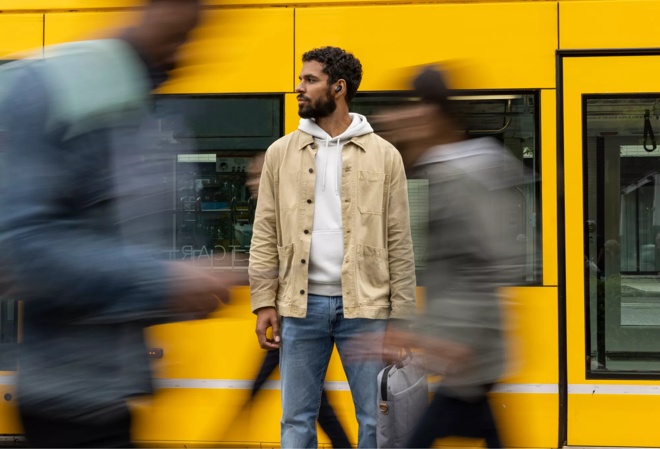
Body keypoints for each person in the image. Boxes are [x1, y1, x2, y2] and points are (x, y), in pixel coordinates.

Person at [0, 1, 244, 447]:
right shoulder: (54, 87)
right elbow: (25, 245)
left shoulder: (150, 112)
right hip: (66, 402)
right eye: (186, 29)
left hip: (117, 395)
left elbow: (115, 247)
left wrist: (190, 289)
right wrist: (168, 278)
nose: (193, 48)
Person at [248, 46, 417, 449]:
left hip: (367, 307)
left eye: (310, 80)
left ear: (338, 88)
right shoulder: (280, 153)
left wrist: (402, 317)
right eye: (301, 79)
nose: (298, 88)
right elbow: (265, 231)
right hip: (298, 306)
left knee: (375, 420)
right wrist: (263, 300)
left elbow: (399, 241)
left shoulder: (384, 155)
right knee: (295, 420)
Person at [375, 66, 526, 448]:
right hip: (470, 349)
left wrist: (441, 338)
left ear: (432, 115)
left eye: (409, 109)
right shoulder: (443, 172)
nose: (396, 121)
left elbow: (487, 260)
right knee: (486, 431)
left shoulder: (461, 177)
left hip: (470, 347)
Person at [245, 153, 351, 449]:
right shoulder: (279, 213)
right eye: (252, 177)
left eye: (259, 176)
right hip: (290, 313)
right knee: (313, 400)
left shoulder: (303, 215)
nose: (253, 184)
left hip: (301, 313)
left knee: (310, 400)